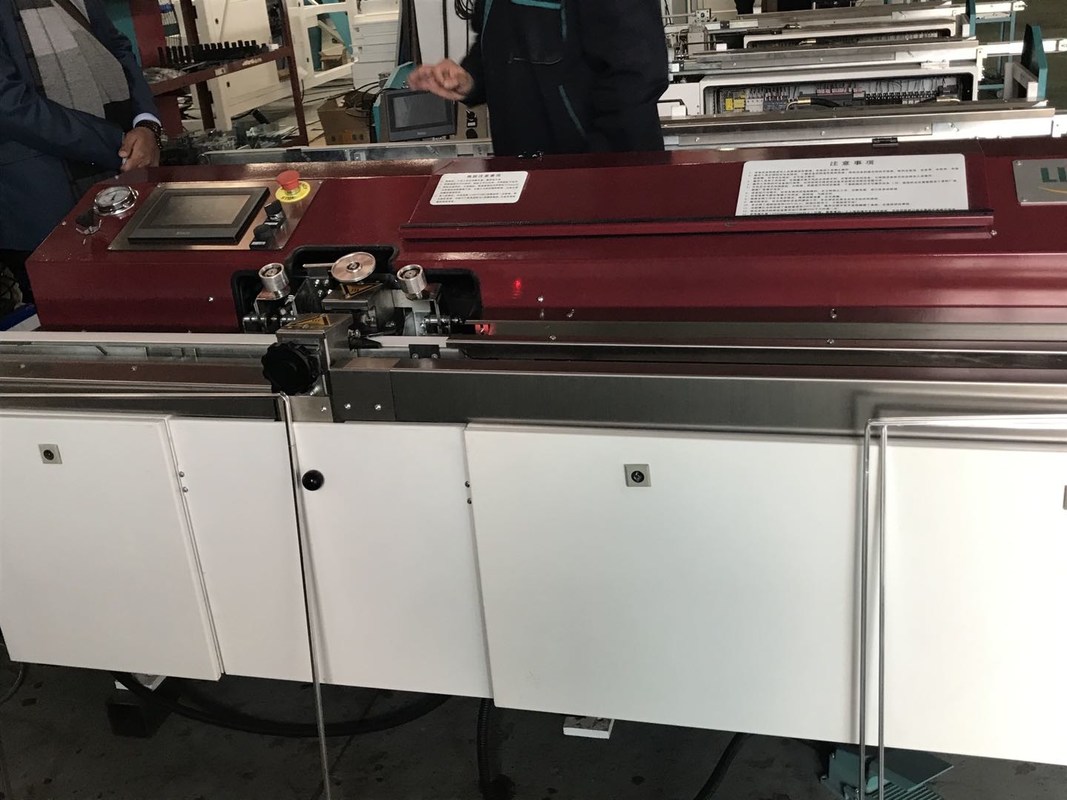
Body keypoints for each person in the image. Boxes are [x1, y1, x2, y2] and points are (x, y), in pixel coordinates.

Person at [0, 0, 161, 312]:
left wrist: (146, 124)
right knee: (73, 320)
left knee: (146, 305)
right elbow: (10, 106)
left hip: (119, 186)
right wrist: (119, 143)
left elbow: (117, 48)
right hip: (41, 205)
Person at [408, 0, 669, 157]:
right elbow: (498, 43)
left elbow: (637, 75)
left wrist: (596, 171)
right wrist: (469, 79)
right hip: (522, 169)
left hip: (603, 172)